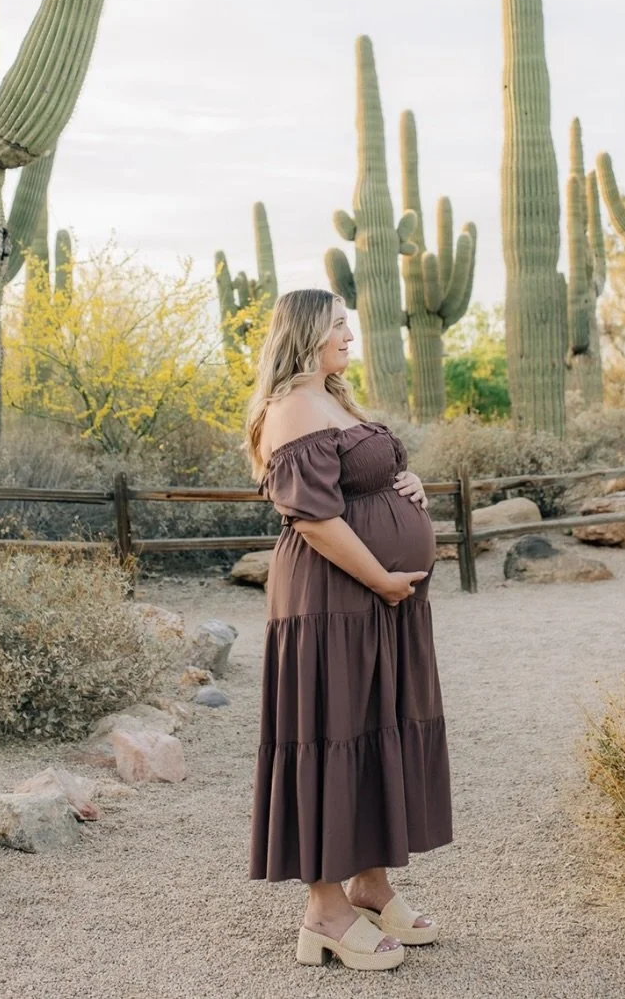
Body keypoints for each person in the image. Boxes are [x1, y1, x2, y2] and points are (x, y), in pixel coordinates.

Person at [245, 288, 453, 972]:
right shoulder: (294, 407)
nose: (349, 338)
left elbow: (361, 481)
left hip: (373, 603)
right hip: (335, 597)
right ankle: (325, 911)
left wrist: (408, 480)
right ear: (304, 335)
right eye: (338, 327)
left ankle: (370, 885)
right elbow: (314, 519)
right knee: (332, 735)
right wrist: (381, 578)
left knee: (370, 730)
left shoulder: (332, 398)